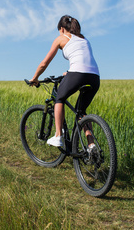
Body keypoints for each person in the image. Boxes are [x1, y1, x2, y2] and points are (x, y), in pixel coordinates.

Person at [29, 15, 100, 148]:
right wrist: (69, 73)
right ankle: (91, 146)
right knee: (81, 111)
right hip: (95, 77)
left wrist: (35, 78)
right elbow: (83, 59)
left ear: (62, 29)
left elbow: (44, 63)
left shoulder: (61, 38)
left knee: (59, 98)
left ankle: (58, 136)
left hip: (77, 74)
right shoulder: (83, 39)